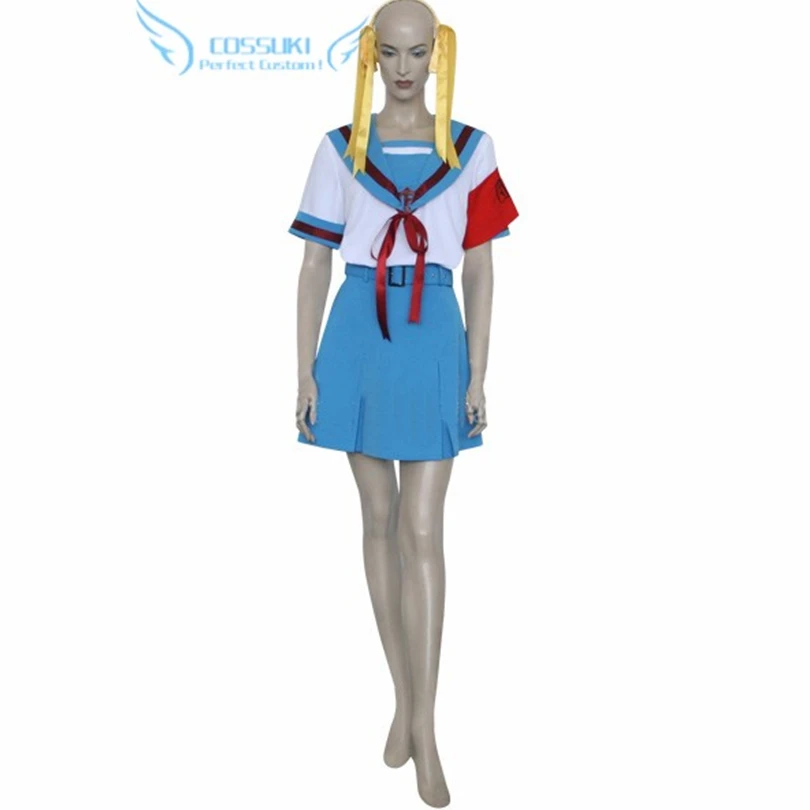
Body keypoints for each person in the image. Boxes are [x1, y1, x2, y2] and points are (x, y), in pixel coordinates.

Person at [289, 1, 518, 805]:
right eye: (391, 52)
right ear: (371, 56)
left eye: (419, 52)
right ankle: (404, 701)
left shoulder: (471, 148)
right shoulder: (339, 148)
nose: (405, 68)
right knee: (378, 520)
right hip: (358, 328)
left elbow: (481, 267)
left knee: (424, 527)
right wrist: (304, 371)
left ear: (439, 54)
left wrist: (478, 373)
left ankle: (426, 724)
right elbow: (313, 264)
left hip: (433, 333)